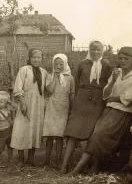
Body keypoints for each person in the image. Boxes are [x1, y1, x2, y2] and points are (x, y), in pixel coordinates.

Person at [68, 46, 132, 176]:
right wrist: (113, 81)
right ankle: (93, 166)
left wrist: (113, 98)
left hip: (122, 113)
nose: (123, 61)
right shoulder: (117, 73)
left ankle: (78, 168)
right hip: (109, 110)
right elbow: (105, 94)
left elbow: (128, 97)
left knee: (99, 135)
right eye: (120, 58)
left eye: (126, 58)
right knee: (95, 135)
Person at [60, 40, 112, 174]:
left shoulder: (106, 65)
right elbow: (77, 83)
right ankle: (64, 165)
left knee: (94, 135)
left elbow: (108, 86)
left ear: (102, 51)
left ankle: (93, 166)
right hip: (81, 101)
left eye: (98, 49)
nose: (95, 52)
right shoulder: (82, 64)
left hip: (97, 102)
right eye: (93, 49)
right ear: (89, 50)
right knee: (73, 133)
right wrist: (76, 102)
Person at [11, 49, 47, 166]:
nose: (36, 60)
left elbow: (47, 89)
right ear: (30, 58)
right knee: (21, 128)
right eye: (34, 57)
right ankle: (21, 158)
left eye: (39, 57)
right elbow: (18, 88)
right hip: (26, 102)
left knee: (35, 130)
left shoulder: (44, 72)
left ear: (42, 59)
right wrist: (22, 103)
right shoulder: (24, 70)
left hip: (38, 105)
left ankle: (31, 158)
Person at [42, 53, 75, 168]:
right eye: (56, 64)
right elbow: (50, 90)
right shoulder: (50, 76)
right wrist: (56, 77)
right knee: (50, 134)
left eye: (61, 64)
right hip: (52, 106)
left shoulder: (70, 77)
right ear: (53, 64)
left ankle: (58, 160)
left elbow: (71, 94)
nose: (59, 66)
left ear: (65, 64)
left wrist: (71, 108)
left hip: (63, 108)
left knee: (60, 135)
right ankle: (47, 160)